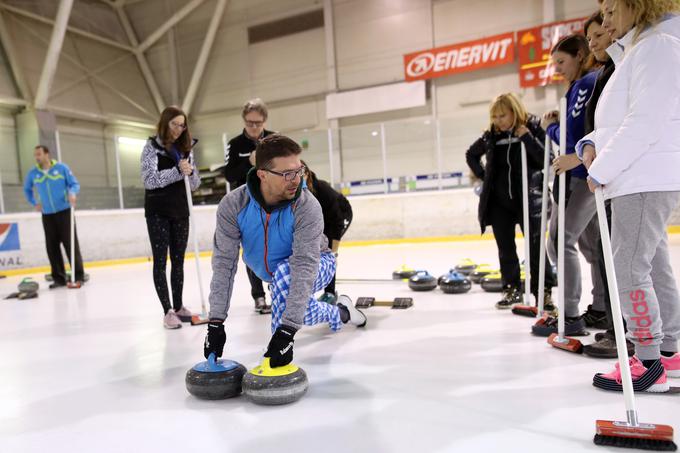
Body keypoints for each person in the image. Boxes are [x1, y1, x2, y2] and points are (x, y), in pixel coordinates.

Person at [577, 0, 680, 392]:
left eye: (609, 11)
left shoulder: (658, 47)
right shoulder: (644, 48)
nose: (605, 22)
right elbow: (622, 119)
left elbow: (646, 121)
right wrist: (591, 143)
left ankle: (648, 361)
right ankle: (669, 354)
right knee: (652, 266)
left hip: (642, 174)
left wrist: (602, 168)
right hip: (638, 171)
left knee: (629, 269)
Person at [203, 134, 366, 367]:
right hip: (278, 276)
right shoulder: (233, 205)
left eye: (298, 171)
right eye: (287, 174)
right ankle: (342, 313)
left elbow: (303, 265)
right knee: (301, 309)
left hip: (319, 262)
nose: (296, 180)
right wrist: (216, 322)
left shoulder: (307, 206)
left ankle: (272, 352)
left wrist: (286, 332)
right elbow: (223, 265)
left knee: (285, 280)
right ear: (262, 174)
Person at [533, 34, 601, 337]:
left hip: (580, 177)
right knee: (590, 244)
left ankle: (571, 314)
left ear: (579, 55)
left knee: (560, 241)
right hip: (583, 175)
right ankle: (599, 307)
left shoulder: (586, 84)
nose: (557, 68)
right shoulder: (577, 87)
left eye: (562, 61)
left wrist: (551, 129)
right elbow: (575, 132)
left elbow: (574, 139)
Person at [465, 93, 557, 311]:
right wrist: (484, 175)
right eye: (494, 117)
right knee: (505, 249)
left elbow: (547, 159)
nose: (498, 121)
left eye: (502, 116)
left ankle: (542, 292)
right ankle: (511, 288)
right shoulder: (492, 136)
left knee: (535, 249)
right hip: (500, 203)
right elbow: (471, 154)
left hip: (530, 199)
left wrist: (526, 137)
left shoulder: (534, 127)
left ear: (514, 112)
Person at [141, 106, 200, 330]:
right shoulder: (151, 148)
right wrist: (176, 171)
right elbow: (149, 179)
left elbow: (194, 185)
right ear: (165, 123)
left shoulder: (187, 149)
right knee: (160, 261)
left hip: (180, 210)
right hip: (158, 211)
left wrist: (190, 172)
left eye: (182, 124)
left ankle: (179, 306)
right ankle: (167, 311)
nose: (178, 129)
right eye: (175, 124)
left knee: (178, 261)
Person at [223, 98, 275, 314]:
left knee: (276, 247)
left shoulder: (274, 139)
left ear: (264, 121)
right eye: (250, 122)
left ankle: (278, 291)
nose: (254, 127)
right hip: (247, 205)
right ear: (244, 120)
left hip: (273, 202)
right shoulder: (235, 144)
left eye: (258, 123)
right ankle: (259, 296)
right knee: (253, 251)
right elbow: (229, 175)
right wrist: (249, 163)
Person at [23, 145, 86, 288]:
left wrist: (72, 193)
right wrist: (34, 203)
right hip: (47, 214)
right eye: (35, 155)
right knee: (52, 247)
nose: (37, 157)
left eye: (39, 154)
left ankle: (78, 276)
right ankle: (59, 278)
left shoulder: (62, 168)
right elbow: (27, 190)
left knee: (70, 244)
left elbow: (74, 184)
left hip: (64, 211)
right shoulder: (33, 173)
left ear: (47, 154)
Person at [301, 161, 353, 304]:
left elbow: (336, 223)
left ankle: (330, 293)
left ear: (307, 174)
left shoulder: (322, 189)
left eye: (301, 174)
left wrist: (334, 252)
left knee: (328, 250)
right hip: (320, 220)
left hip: (340, 215)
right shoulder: (296, 192)